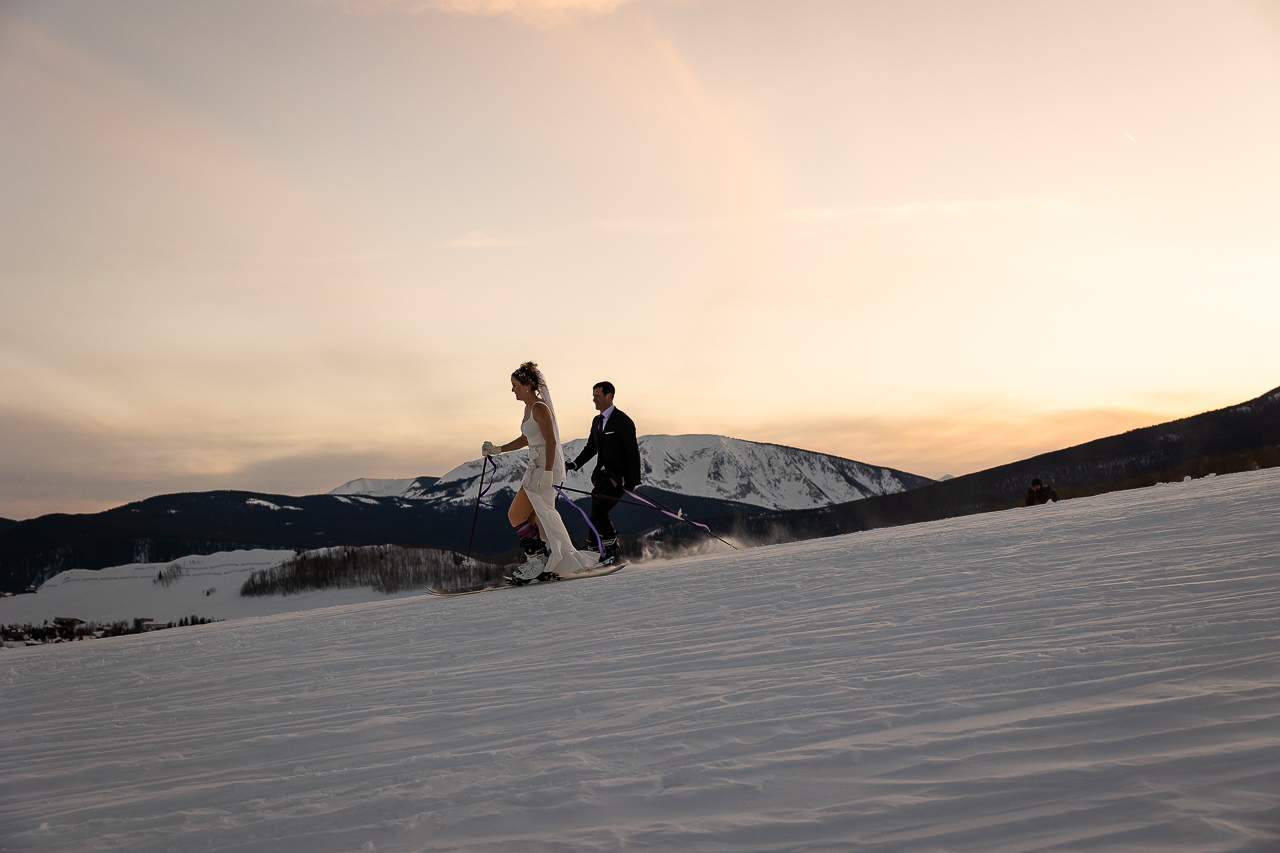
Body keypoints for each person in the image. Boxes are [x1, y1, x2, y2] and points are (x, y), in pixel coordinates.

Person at [481, 362, 597, 583]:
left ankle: (538, 561)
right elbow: (527, 439)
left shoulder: (539, 408)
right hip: (536, 464)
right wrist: (498, 449)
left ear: (526, 386)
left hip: (545, 465)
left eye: (514, 385)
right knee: (534, 517)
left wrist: (547, 472)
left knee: (516, 514)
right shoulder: (529, 408)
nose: (512, 389)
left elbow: (551, 441)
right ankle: (542, 561)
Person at [565, 381, 642, 566]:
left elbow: (632, 451)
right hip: (601, 478)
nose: (594, 399)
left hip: (619, 479)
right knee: (594, 513)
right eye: (593, 396)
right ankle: (595, 553)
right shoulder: (596, 421)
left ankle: (613, 552)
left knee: (600, 510)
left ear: (609, 396)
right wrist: (575, 464)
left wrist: (631, 480)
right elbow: (591, 447)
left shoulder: (622, 420)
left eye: (597, 396)